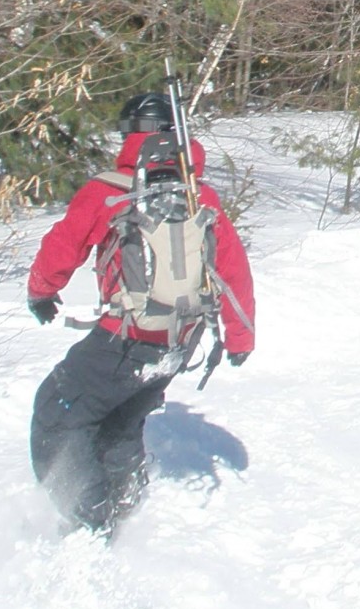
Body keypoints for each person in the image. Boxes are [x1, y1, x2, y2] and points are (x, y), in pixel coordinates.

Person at [25, 91, 256, 533]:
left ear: (129, 133)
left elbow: (62, 246)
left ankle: (89, 520)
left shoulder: (107, 191)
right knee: (119, 418)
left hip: (124, 339)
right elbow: (233, 268)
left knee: (58, 411)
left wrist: (41, 292)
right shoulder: (199, 196)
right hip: (178, 342)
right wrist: (240, 339)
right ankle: (122, 504)